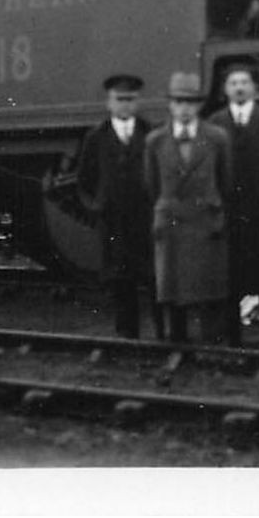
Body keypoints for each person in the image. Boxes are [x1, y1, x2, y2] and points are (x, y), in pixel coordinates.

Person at [143, 72, 234, 344]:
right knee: (173, 288)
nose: (184, 108)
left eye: (190, 102)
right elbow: (151, 185)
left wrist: (215, 209)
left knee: (209, 287)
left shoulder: (218, 137)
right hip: (171, 220)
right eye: (179, 102)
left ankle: (212, 342)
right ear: (170, 105)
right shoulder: (155, 141)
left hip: (206, 219)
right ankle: (177, 342)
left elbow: (226, 180)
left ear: (199, 106)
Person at [207, 62, 259, 346]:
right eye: (233, 83)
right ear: (225, 91)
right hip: (229, 211)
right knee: (230, 273)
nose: (239, 88)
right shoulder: (215, 124)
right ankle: (232, 334)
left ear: (254, 88)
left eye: (244, 82)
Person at [74, 73, 156, 340]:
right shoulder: (96, 137)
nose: (125, 105)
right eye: (119, 100)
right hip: (114, 220)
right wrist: (97, 207)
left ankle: (161, 331)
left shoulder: (151, 134)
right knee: (120, 278)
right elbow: (85, 179)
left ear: (138, 102)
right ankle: (126, 332)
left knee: (153, 275)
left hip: (146, 217)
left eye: (130, 99)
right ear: (109, 103)